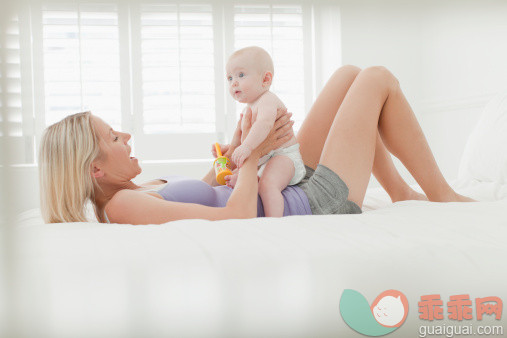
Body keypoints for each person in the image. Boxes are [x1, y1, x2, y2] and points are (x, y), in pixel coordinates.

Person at [39, 65, 473, 225]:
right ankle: (442, 194)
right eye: (114, 138)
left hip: (283, 182)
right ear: (95, 169)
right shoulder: (121, 208)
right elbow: (238, 213)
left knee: (348, 76)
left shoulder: (134, 192)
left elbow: (212, 190)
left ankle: (400, 192)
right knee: (377, 79)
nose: (127, 137)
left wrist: (233, 149)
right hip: (316, 202)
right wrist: (256, 151)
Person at [224, 46, 305, 217]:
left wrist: (246, 147)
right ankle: (245, 178)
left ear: (265, 79)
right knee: (241, 174)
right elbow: (247, 136)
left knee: (267, 185)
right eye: (229, 78)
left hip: (285, 157)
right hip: (266, 158)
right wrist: (232, 148)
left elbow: (264, 125)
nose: (234, 83)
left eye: (241, 75)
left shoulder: (267, 100)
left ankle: (273, 223)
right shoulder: (250, 107)